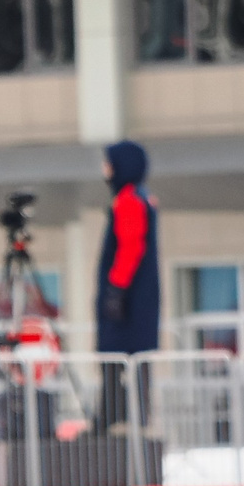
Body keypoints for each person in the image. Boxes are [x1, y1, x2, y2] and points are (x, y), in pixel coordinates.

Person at [95, 140, 159, 429]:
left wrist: (115, 290)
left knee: (118, 361)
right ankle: (121, 417)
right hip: (137, 303)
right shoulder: (139, 198)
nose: (104, 169)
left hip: (129, 305)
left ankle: (115, 419)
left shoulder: (129, 201)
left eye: (108, 163)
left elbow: (130, 248)